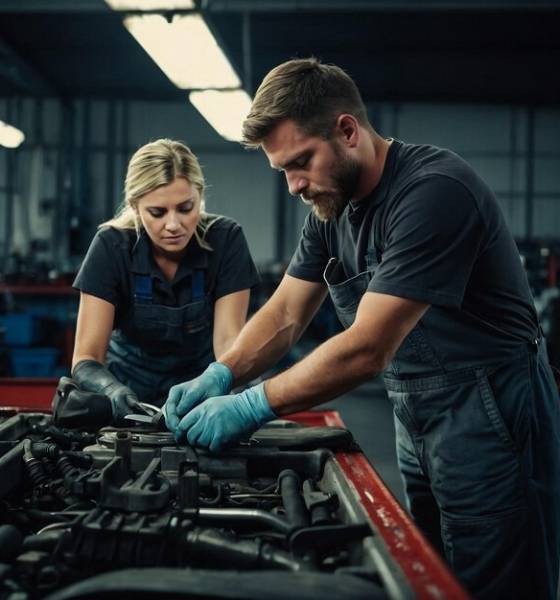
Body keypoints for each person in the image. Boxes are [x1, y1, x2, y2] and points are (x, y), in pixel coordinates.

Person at [163, 59, 560, 599]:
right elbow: (284, 314)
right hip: (417, 415)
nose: (294, 186)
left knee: (495, 581)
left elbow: (369, 347)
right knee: (431, 575)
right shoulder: (332, 209)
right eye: (282, 170)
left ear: (347, 130)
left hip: (491, 411)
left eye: (301, 162)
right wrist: (222, 372)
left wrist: (250, 405)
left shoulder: (433, 192)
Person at [71, 138, 259, 421]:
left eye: (186, 208)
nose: (174, 225)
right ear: (135, 206)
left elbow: (228, 344)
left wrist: (225, 398)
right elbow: (86, 357)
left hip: (200, 394)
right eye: (157, 213)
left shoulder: (225, 239)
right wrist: (111, 391)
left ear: (200, 196)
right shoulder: (111, 246)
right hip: (128, 396)